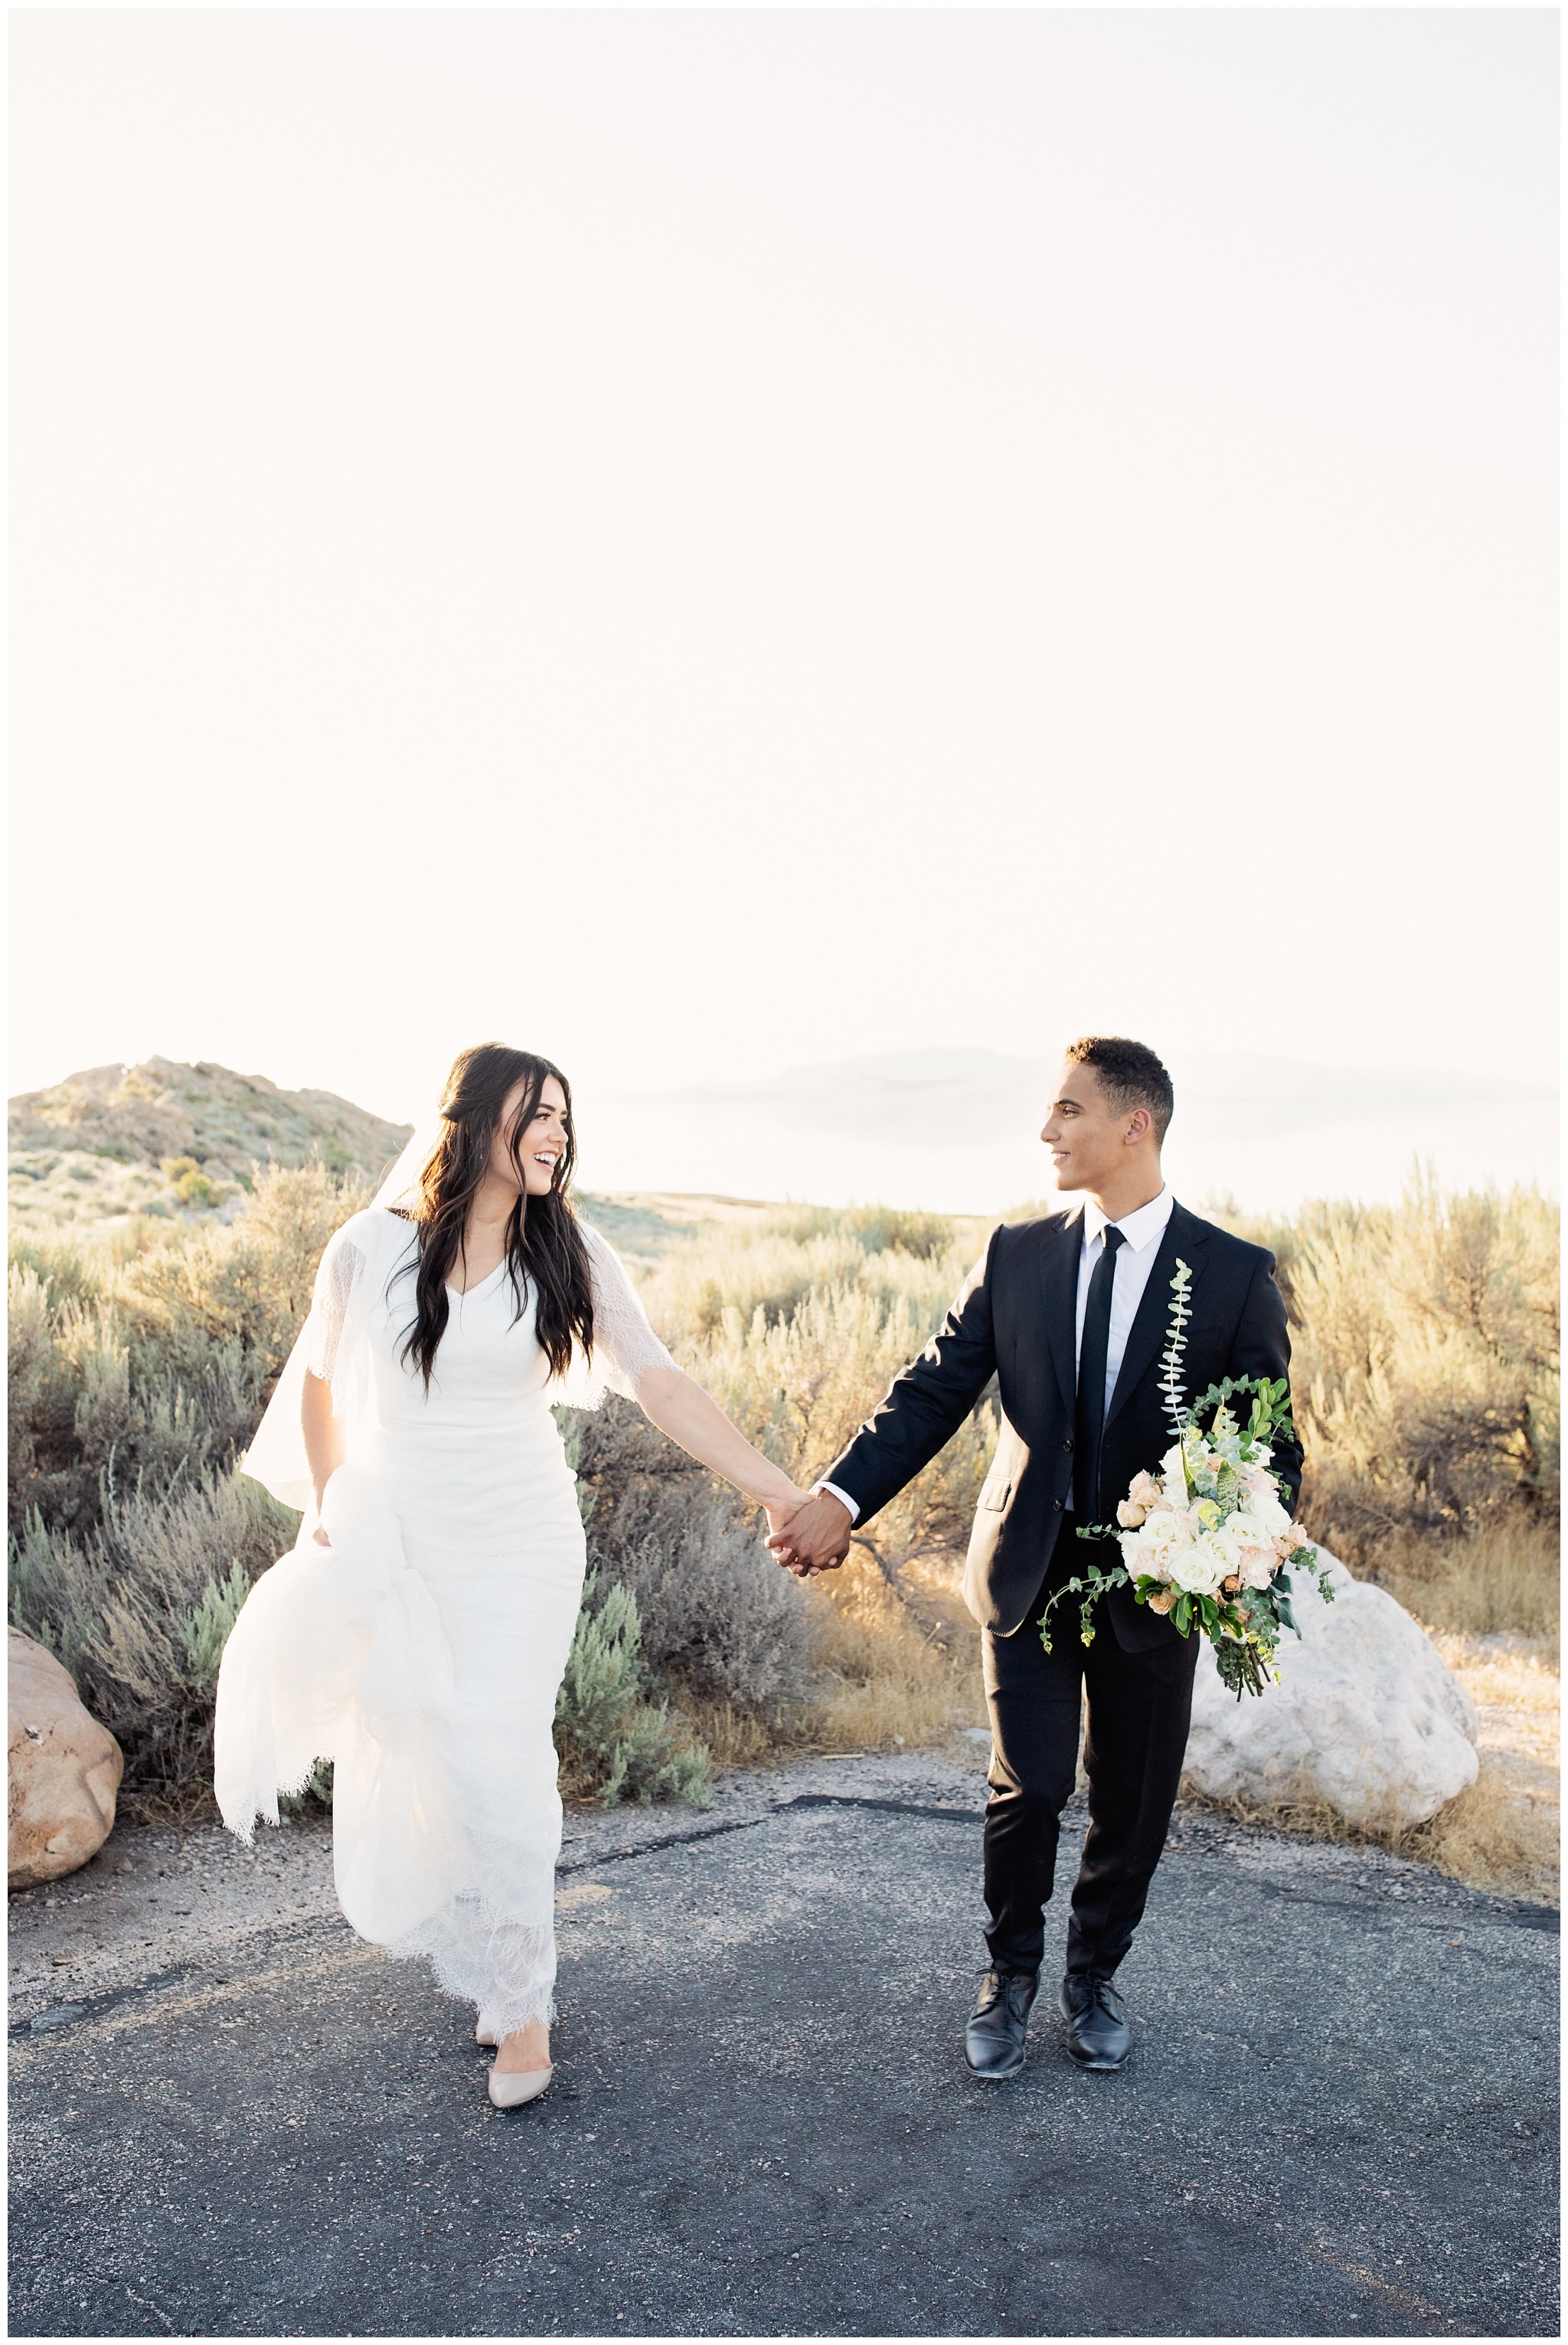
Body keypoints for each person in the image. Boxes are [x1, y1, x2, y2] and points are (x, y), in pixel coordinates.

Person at [216, 1043, 807, 2108]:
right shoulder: (365, 1247)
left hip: (522, 1541)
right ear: (476, 1118)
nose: (557, 1136)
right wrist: (325, 1506)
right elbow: (317, 1384)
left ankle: (525, 2007)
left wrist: (772, 1487)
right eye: (540, 1114)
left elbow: (660, 1383)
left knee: (499, 1747)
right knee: (440, 1746)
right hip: (407, 1533)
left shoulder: (569, 1253)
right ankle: (499, 1960)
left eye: (566, 1121)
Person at [769, 1036, 1301, 2079]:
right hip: (1029, 1569)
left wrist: (1227, 1543)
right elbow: (931, 1390)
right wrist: (839, 1496)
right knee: (1030, 1784)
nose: (1047, 1130)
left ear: (1133, 1125)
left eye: (1067, 1111)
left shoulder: (1234, 1276)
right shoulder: (1018, 1255)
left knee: (1134, 1798)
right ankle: (1008, 1973)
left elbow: (1273, 1443)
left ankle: (1093, 1974)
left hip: (1161, 1587)